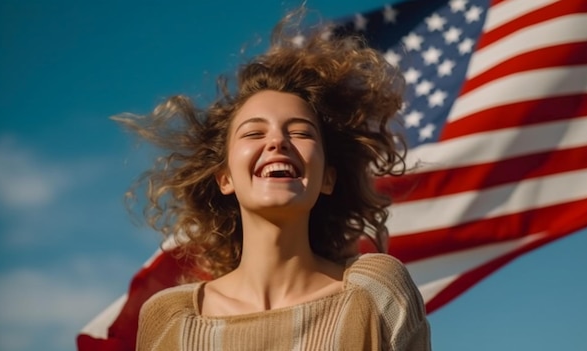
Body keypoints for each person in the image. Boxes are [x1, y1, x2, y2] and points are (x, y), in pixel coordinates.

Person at [116, 12, 431, 351]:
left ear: (327, 178)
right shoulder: (169, 317)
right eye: (253, 132)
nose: (277, 142)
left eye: (299, 132)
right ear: (224, 178)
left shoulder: (375, 290)